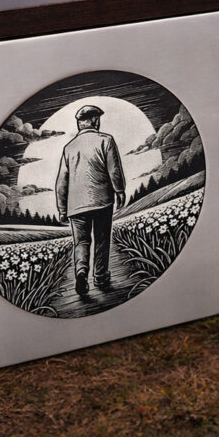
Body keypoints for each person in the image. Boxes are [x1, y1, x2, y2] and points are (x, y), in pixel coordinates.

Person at [55, 105, 126, 296]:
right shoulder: (106, 140)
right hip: (102, 201)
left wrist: (62, 208)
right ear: (95, 120)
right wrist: (119, 190)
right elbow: (115, 170)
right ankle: (101, 277)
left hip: (76, 206)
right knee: (102, 240)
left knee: (81, 242)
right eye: (98, 119)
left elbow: (62, 182)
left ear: (80, 123)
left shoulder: (69, 148)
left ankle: (81, 273)